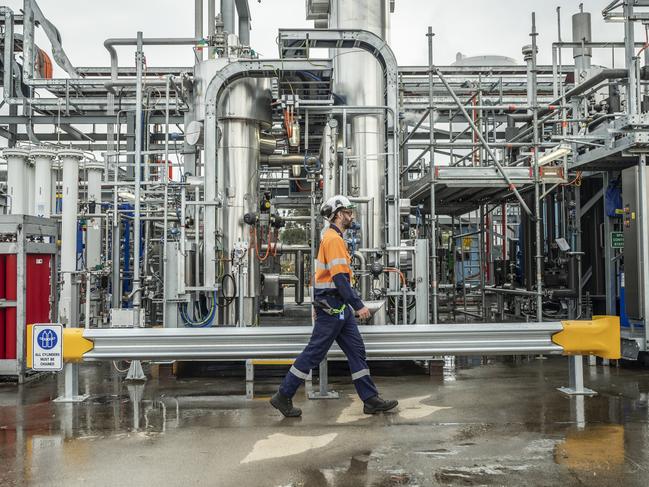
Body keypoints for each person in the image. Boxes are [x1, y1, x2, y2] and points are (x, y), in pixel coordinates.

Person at [270, 195, 398, 417]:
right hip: (332, 307)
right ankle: (283, 395)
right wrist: (358, 305)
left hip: (337, 307)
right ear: (339, 215)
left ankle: (370, 400)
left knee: (356, 350)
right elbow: (339, 279)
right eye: (348, 212)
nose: (352, 216)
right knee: (314, 353)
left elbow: (323, 276)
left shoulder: (334, 237)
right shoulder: (333, 239)